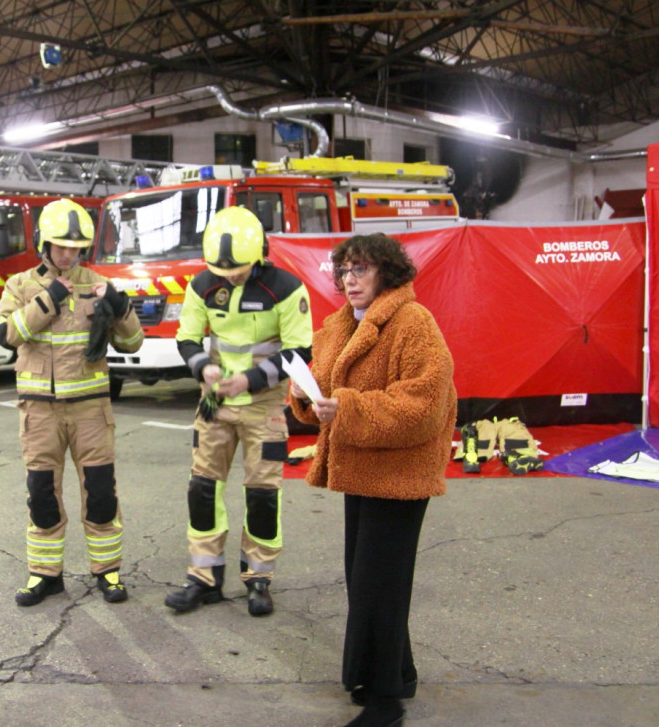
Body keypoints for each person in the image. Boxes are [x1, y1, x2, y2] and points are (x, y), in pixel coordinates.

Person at [290, 233, 456, 727]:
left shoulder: (414, 323)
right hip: (362, 466)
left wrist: (350, 408)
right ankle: (395, 674)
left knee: (378, 586)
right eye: (344, 270)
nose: (350, 279)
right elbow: (322, 380)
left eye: (361, 269)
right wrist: (308, 397)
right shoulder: (342, 323)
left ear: (387, 271)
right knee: (368, 583)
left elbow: (425, 404)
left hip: (400, 472)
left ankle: (386, 703)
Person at [0, 198, 143, 606]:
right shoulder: (20, 286)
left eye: (75, 248)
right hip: (39, 412)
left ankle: (107, 573)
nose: (68, 254)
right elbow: (4, 334)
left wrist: (121, 306)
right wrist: (48, 299)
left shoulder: (96, 282)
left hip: (91, 409)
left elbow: (132, 342)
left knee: (101, 494)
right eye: (60, 247)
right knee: (41, 495)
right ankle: (45, 575)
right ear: (44, 243)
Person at [166, 206, 312, 617]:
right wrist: (203, 367)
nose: (229, 277)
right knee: (202, 489)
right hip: (214, 402)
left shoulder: (285, 288)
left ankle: (258, 579)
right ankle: (204, 577)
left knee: (262, 494)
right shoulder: (202, 285)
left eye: (239, 270)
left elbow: (300, 350)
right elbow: (187, 337)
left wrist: (250, 379)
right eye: (222, 271)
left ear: (260, 255)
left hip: (262, 405)